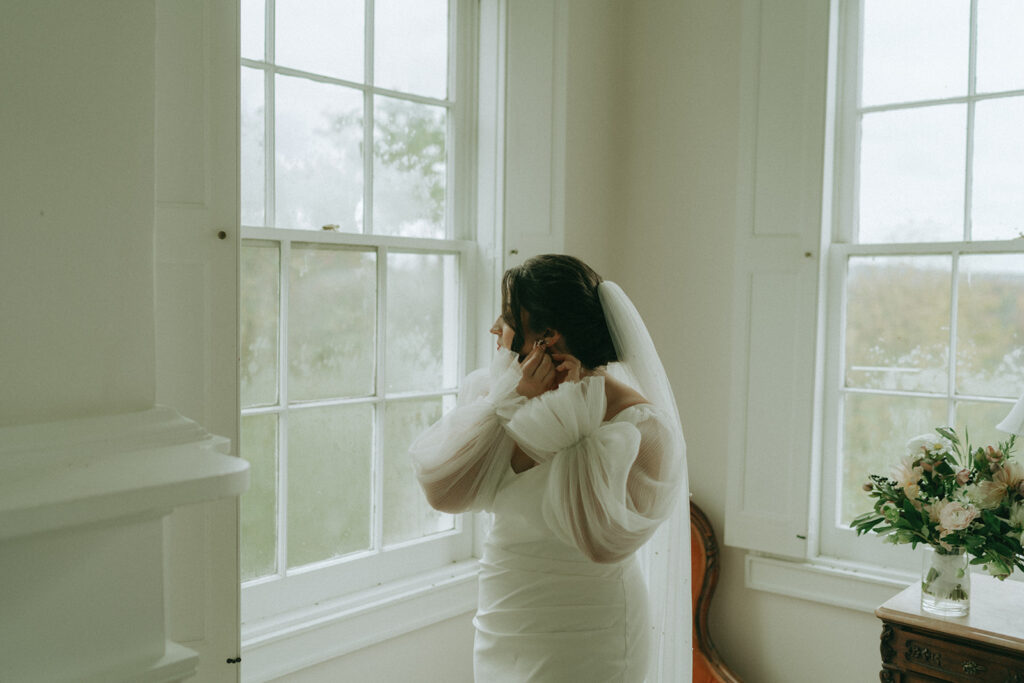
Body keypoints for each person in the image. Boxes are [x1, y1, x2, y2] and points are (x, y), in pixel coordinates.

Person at [409, 254, 688, 682]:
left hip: (591, 630)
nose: (493, 329)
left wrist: (572, 420)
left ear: (546, 337)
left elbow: (601, 543)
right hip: (504, 614)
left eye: (505, 318)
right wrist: (509, 405)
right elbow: (445, 494)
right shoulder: (493, 392)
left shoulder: (641, 428)